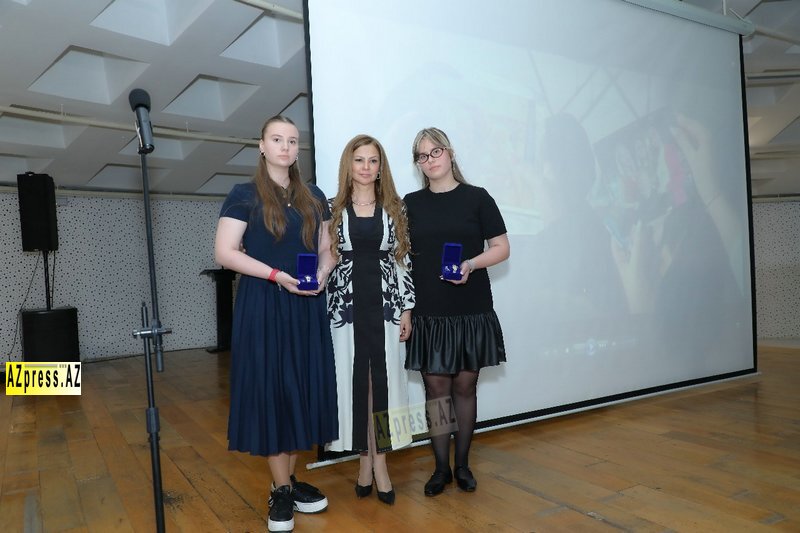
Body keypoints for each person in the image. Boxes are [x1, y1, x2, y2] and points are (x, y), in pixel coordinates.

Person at [214, 115, 338, 532]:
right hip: (264, 303)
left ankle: (288, 480)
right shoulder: (244, 194)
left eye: (292, 141)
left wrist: (322, 273)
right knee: (273, 390)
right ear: (262, 146)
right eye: (277, 139)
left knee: (300, 388)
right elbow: (225, 252)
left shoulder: (314, 195)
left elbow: (327, 248)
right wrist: (276, 276)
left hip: (306, 306)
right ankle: (282, 490)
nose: (286, 147)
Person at [404, 127, 510, 496]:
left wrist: (471, 264)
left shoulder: (478, 198)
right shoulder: (409, 204)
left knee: (465, 387)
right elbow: (400, 257)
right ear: (418, 163)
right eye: (422, 155)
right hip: (429, 310)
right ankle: (440, 469)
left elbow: (501, 247)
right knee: (436, 390)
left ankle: (462, 465)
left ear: (449, 153)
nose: (430, 160)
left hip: (470, 307)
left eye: (435, 152)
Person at [326, 134, 415, 505]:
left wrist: (407, 308)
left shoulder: (395, 209)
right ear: (349, 165)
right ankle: (364, 461)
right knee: (354, 385)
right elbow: (325, 260)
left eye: (373, 160)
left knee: (384, 385)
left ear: (381, 168)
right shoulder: (331, 209)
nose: (366, 167)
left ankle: (381, 465)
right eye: (359, 160)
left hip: (386, 309)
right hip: (345, 312)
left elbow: (402, 260)